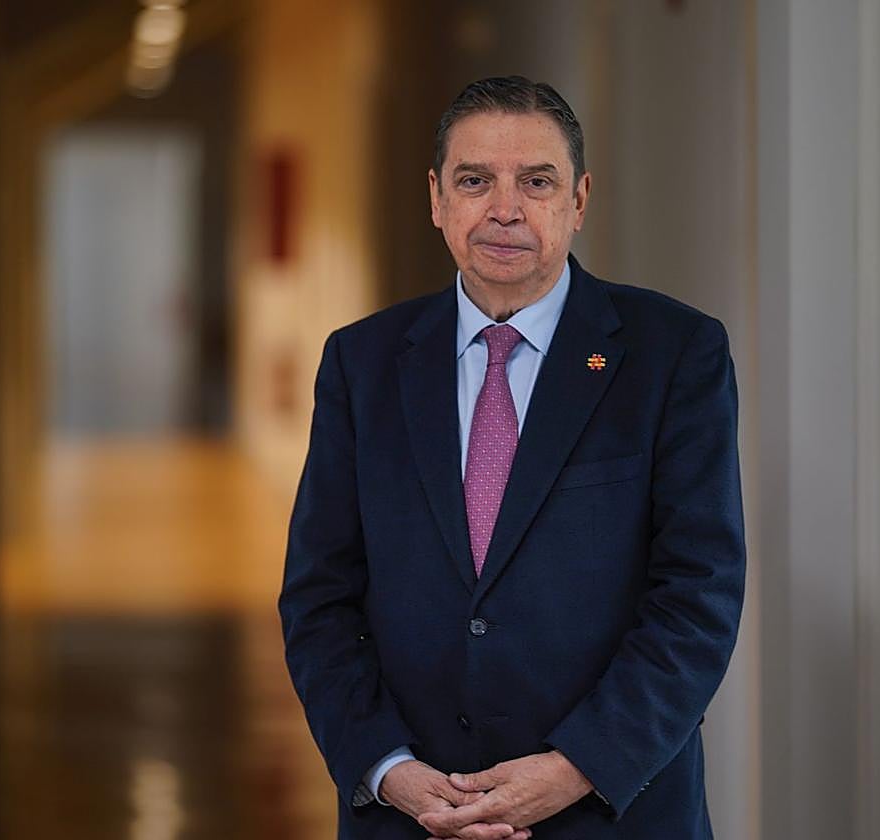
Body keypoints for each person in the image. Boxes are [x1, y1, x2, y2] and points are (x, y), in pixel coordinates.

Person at [278, 75, 745, 840]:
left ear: (579, 199)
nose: (504, 209)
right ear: (436, 200)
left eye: (536, 181)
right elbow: (319, 598)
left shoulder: (675, 355)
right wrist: (387, 769)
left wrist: (575, 767)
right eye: (474, 181)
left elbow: (699, 597)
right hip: (412, 814)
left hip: (610, 811)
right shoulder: (361, 364)